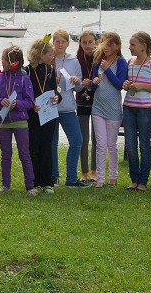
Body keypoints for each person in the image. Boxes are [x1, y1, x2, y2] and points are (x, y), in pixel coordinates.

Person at [122, 31, 151, 191]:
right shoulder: (130, 62)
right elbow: (127, 82)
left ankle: (143, 181)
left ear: (143, 46)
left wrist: (143, 86)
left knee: (144, 144)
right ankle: (134, 179)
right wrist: (126, 85)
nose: (130, 47)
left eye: (133, 45)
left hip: (145, 110)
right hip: (128, 107)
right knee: (131, 145)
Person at [0, 45, 35, 195]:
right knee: (6, 154)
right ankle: (5, 185)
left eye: (3, 60)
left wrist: (17, 104)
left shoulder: (24, 79)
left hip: (20, 121)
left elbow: (30, 102)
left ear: (12, 62)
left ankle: (30, 186)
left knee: (24, 153)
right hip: (4, 121)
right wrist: (0, 102)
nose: (1, 62)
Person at [90, 32, 127, 188]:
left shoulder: (121, 62)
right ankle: (99, 179)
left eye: (108, 44)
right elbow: (92, 86)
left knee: (111, 144)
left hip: (113, 108)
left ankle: (113, 176)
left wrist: (107, 70)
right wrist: (94, 81)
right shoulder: (99, 62)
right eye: (103, 43)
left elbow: (120, 84)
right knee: (100, 143)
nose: (104, 47)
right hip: (98, 107)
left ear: (116, 46)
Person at [51, 30, 86, 188]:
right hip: (51, 107)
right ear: (53, 43)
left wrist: (77, 81)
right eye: (57, 41)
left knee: (77, 140)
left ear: (67, 43)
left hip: (68, 107)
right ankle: (54, 176)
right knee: (53, 143)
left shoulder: (74, 60)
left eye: (63, 41)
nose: (60, 44)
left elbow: (78, 88)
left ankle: (71, 178)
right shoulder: (48, 59)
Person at [27, 38, 60, 193]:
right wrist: (30, 102)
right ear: (41, 54)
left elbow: (55, 90)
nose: (52, 57)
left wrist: (57, 98)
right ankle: (33, 181)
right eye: (50, 54)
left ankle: (47, 182)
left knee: (47, 147)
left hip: (48, 114)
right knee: (34, 148)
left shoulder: (51, 70)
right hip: (33, 114)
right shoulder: (27, 71)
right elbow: (23, 92)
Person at [75, 31, 98, 183]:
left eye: (90, 42)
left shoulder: (100, 58)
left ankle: (94, 171)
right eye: (85, 42)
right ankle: (83, 172)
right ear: (80, 43)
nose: (88, 45)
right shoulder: (76, 59)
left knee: (97, 139)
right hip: (82, 100)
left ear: (96, 42)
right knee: (84, 138)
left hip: (97, 101)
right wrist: (80, 81)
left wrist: (94, 81)